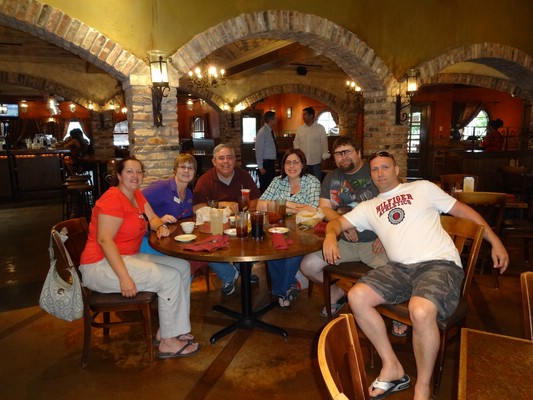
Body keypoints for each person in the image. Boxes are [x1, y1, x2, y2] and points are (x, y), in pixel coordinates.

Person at [322, 151, 508, 400]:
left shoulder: (422, 188)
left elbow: (464, 212)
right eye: (375, 169)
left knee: (420, 310)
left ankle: (423, 386)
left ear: (396, 169)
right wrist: (330, 236)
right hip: (399, 268)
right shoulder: (369, 207)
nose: (380, 173)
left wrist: (495, 240)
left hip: (439, 264)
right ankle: (392, 367)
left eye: (385, 167)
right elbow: (336, 223)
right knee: (357, 297)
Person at [79, 156, 200, 359]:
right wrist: (124, 277)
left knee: (182, 267)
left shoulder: (136, 195)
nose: (135, 175)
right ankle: (168, 343)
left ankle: (172, 330)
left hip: (127, 256)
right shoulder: (112, 199)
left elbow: (153, 218)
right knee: (169, 278)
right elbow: (105, 241)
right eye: (129, 171)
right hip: (100, 265)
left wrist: (160, 227)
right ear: (119, 175)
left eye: (139, 171)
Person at [300, 137, 390, 318]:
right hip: (344, 243)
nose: (343, 157)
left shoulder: (374, 171)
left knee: (396, 276)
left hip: (374, 242)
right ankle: (337, 293)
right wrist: (344, 223)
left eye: (347, 151)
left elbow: (393, 205)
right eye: (338, 154)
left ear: (358, 152)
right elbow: (324, 207)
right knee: (308, 266)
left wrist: (386, 235)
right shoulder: (331, 177)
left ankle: (399, 315)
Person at [193, 144, 261, 296]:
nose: (226, 162)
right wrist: (222, 204)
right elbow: (197, 208)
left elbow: (257, 200)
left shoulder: (243, 175)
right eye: (221, 158)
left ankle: (244, 268)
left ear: (235, 160)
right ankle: (228, 275)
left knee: (257, 236)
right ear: (214, 161)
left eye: (229, 158)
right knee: (205, 246)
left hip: (241, 224)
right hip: (216, 227)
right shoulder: (205, 180)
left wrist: (241, 206)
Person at [257, 148, 321, 307]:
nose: (291, 166)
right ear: (283, 165)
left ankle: (281, 290)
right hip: (278, 228)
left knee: (292, 252)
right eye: (288, 162)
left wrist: (282, 206)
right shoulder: (277, 181)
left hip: (303, 231)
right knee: (271, 249)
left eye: (296, 162)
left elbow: (313, 209)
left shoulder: (311, 181)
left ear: (303, 164)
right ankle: (288, 286)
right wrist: (293, 206)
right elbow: (260, 205)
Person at [139, 153, 196, 255]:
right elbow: (137, 201)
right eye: (182, 167)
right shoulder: (161, 187)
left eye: (190, 168)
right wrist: (158, 221)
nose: (186, 171)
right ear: (175, 170)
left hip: (173, 241)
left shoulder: (188, 193)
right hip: (152, 241)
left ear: (194, 172)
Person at [293, 107, 329, 181]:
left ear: (311, 115)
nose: (303, 117)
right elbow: (296, 143)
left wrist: (324, 159)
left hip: (316, 162)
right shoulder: (300, 129)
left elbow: (324, 144)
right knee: (303, 182)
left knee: (316, 182)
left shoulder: (320, 128)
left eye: (305, 114)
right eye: (303, 115)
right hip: (303, 162)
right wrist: (298, 157)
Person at [255, 111, 278, 193]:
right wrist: (260, 167)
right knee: (265, 187)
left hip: (270, 163)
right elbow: (259, 149)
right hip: (265, 164)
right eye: (275, 118)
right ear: (271, 120)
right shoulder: (262, 132)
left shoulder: (271, 131)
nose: (277, 120)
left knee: (271, 186)